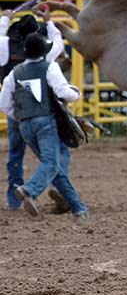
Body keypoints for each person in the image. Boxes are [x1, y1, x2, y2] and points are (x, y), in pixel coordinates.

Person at [0, 31, 87, 219]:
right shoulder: (50, 67)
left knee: (51, 166)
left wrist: (21, 116)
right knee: (51, 163)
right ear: (43, 51)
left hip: (25, 126)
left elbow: (4, 104)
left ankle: (78, 207)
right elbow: (63, 92)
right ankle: (29, 190)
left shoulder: (13, 74)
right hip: (45, 122)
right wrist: (77, 93)